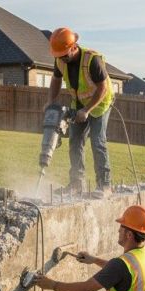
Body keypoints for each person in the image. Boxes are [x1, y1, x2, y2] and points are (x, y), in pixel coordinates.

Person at [46, 27, 114, 197]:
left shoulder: (92, 60)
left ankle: (105, 185)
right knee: (75, 142)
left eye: (64, 54)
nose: (62, 58)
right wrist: (50, 102)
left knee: (98, 142)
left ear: (73, 46)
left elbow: (102, 88)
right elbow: (56, 80)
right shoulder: (60, 59)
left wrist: (87, 110)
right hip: (79, 103)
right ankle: (76, 184)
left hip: (100, 103)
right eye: (59, 55)